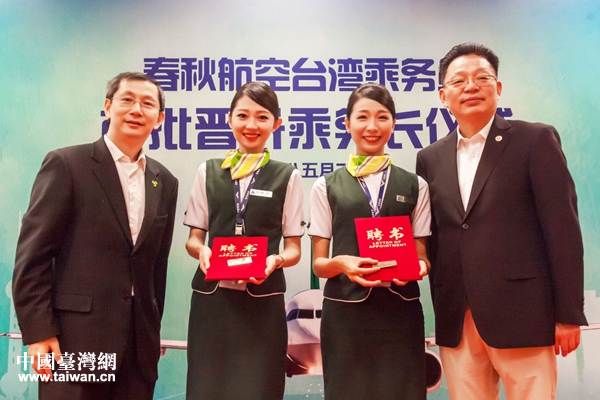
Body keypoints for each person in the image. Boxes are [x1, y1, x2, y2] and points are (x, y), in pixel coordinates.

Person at [416, 43, 587, 400]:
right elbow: (435, 235)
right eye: (458, 81)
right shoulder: (430, 158)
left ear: (498, 87)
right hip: (457, 319)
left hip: (525, 315)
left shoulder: (534, 140)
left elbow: (563, 232)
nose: (471, 87)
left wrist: (568, 314)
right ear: (443, 96)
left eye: (482, 78)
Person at [12, 72, 178, 400]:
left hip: (137, 352)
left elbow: (156, 268)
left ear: (159, 119)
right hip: (75, 341)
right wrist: (39, 331)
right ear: (108, 106)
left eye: (147, 104)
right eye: (127, 100)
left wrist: (151, 330)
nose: (136, 109)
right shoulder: (67, 164)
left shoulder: (165, 181)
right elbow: (33, 256)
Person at [309, 83, 431, 400]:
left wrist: (418, 267)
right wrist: (341, 263)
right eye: (362, 117)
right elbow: (319, 264)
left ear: (394, 123)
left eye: (382, 117)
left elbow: (423, 256)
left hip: (400, 312)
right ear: (347, 123)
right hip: (345, 314)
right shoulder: (326, 186)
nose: (372, 127)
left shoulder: (415, 185)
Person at [183, 81, 304, 400]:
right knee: (208, 386)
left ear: (276, 124)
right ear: (229, 119)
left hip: (263, 302)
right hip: (212, 301)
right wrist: (202, 251)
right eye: (243, 115)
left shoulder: (287, 176)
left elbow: (293, 248)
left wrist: (276, 260)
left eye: (262, 117)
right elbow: (194, 239)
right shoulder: (208, 171)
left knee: (260, 387)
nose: (252, 125)